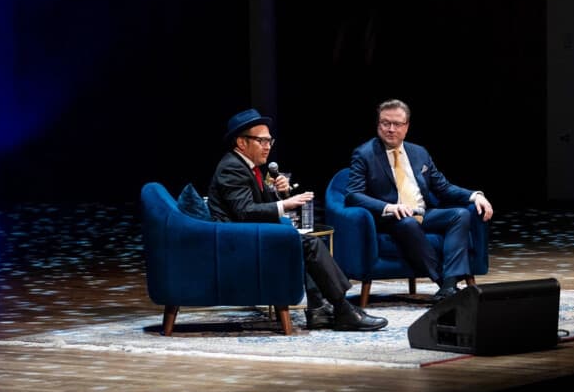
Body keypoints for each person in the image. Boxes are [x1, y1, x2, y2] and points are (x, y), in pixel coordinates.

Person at [207, 108, 388, 331]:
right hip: (235, 242)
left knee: (303, 240)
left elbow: (254, 205)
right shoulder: (232, 167)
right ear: (241, 143)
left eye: (269, 140)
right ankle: (342, 309)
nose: (268, 146)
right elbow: (244, 211)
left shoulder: (248, 167)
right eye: (261, 141)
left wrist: (279, 193)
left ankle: (319, 310)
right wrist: (286, 204)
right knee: (308, 244)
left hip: (248, 234)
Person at [345, 99, 494, 299]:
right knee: (407, 223)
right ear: (378, 125)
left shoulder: (418, 152)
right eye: (385, 123)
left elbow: (443, 187)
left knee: (460, 215)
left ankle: (449, 285)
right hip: (392, 219)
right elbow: (353, 194)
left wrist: (474, 195)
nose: (390, 129)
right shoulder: (364, 154)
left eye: (396, 124)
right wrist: (388, 207)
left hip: (423, 212)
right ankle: (444, 281)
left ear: (406, 127)